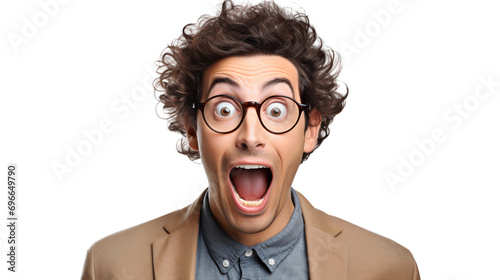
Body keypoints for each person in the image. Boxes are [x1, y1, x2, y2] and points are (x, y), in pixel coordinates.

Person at [81, 1, 420, 279]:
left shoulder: (387, 269)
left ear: (310, 129)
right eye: (225, 109)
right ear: (191, 129)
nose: (251, 136)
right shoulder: (112, 266)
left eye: (276, 110)